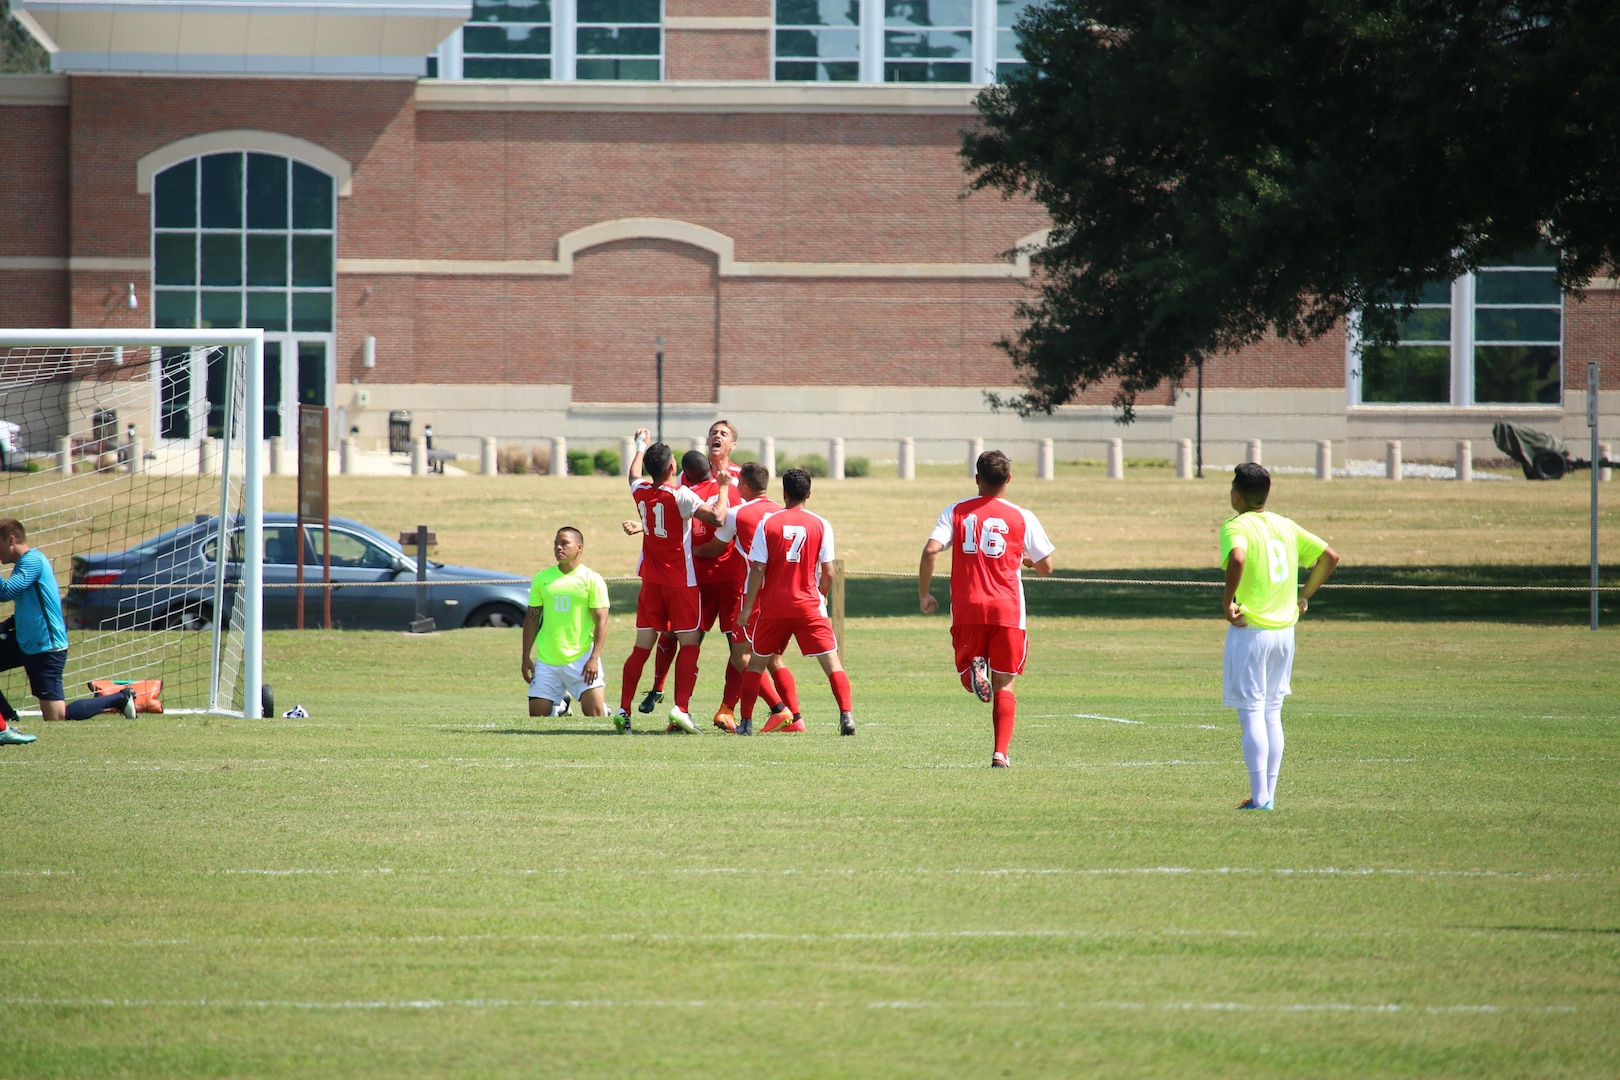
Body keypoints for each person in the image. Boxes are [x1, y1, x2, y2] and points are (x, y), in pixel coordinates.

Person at [918, 449, 1055, 768]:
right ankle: (1000, 753)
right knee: (1005, 682)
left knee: (969, 676)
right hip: (1007, 609)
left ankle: (974, 671)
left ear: (977, 478)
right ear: (1008, 479)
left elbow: (930, 551)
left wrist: (925, 593)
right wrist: (1028, 561)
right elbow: (1047, 566)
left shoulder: (956, 511)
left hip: (968, 608)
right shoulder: (1022, 516)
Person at [1220, 462, 1339, 810]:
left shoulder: (1236, 526)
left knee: (1252, 713)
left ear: (1237, 494)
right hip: (1284, 634)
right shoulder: (1285, 525)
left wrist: (1228, 603)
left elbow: (1238, 558)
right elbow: (1329, 557)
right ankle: (1267, 796)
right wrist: (1305, 595)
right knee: (1273, 711)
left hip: (1250, 631)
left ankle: (1261, 798)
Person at [617, 429, 729, 733]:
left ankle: (624, 709)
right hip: (681, 582)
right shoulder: (680, 494)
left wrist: (638, 445)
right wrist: (723, 489)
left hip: (651, 582)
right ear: (671, 468)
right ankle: (681, 708)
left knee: (641, 648)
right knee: (689, 644)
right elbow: (717, 518)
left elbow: (632, 474)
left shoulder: (639, 490)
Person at [637, 422, 745, 719]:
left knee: (739, 646)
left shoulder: (738, 478)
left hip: (729, 574)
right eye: (714, 432)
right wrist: (644, 527)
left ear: (733, 444)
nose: (717, 436)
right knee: (677, 634)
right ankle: (661, 689)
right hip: (692, 574)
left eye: (724, 434)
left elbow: (743, 519)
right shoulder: (686, 477)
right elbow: (668, 511)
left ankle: (730, 709)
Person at [736, 468, 854, 736]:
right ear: (809, 494)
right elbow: (830, 572)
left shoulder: (768, 523)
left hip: (774, 607)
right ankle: (846, 716)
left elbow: (757, 569)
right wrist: (820, 595)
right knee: (832, 663)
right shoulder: (821, 524)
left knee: (756, 663)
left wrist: (747, 608)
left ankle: (746, 723)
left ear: (784, 493)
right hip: (809, 605)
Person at [0, 518, 139, 746]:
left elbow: (5, 592)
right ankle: (5, 722)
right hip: (25, 641)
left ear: (11, 540)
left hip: (46, 647)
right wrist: (8, 624)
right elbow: (34, 604)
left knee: (57, 717)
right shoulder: (25, 564)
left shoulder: (33, 561)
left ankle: (120, 698)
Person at [699, 460, 800, 734]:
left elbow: (715, 547)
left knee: (740, 656)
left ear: (743, 486)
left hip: (752, 595)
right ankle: (797, 720)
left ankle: (780, 709)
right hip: (782, 596)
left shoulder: (737, 513)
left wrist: (689, 550)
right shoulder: (782, 512)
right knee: (772, 657)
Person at [521, 526, 611, 725]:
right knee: (538, 717)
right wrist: (526, 655)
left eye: (564, 544)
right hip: (547, 660)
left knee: (596, 716)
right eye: (556, 544)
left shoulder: (592, 579)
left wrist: (594, 658)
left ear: (579, 547)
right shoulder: (542, 579)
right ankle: (561, 705)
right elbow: (532, 619)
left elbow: (602, 622)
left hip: (581, 659)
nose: (559, 548)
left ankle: (603, 707)